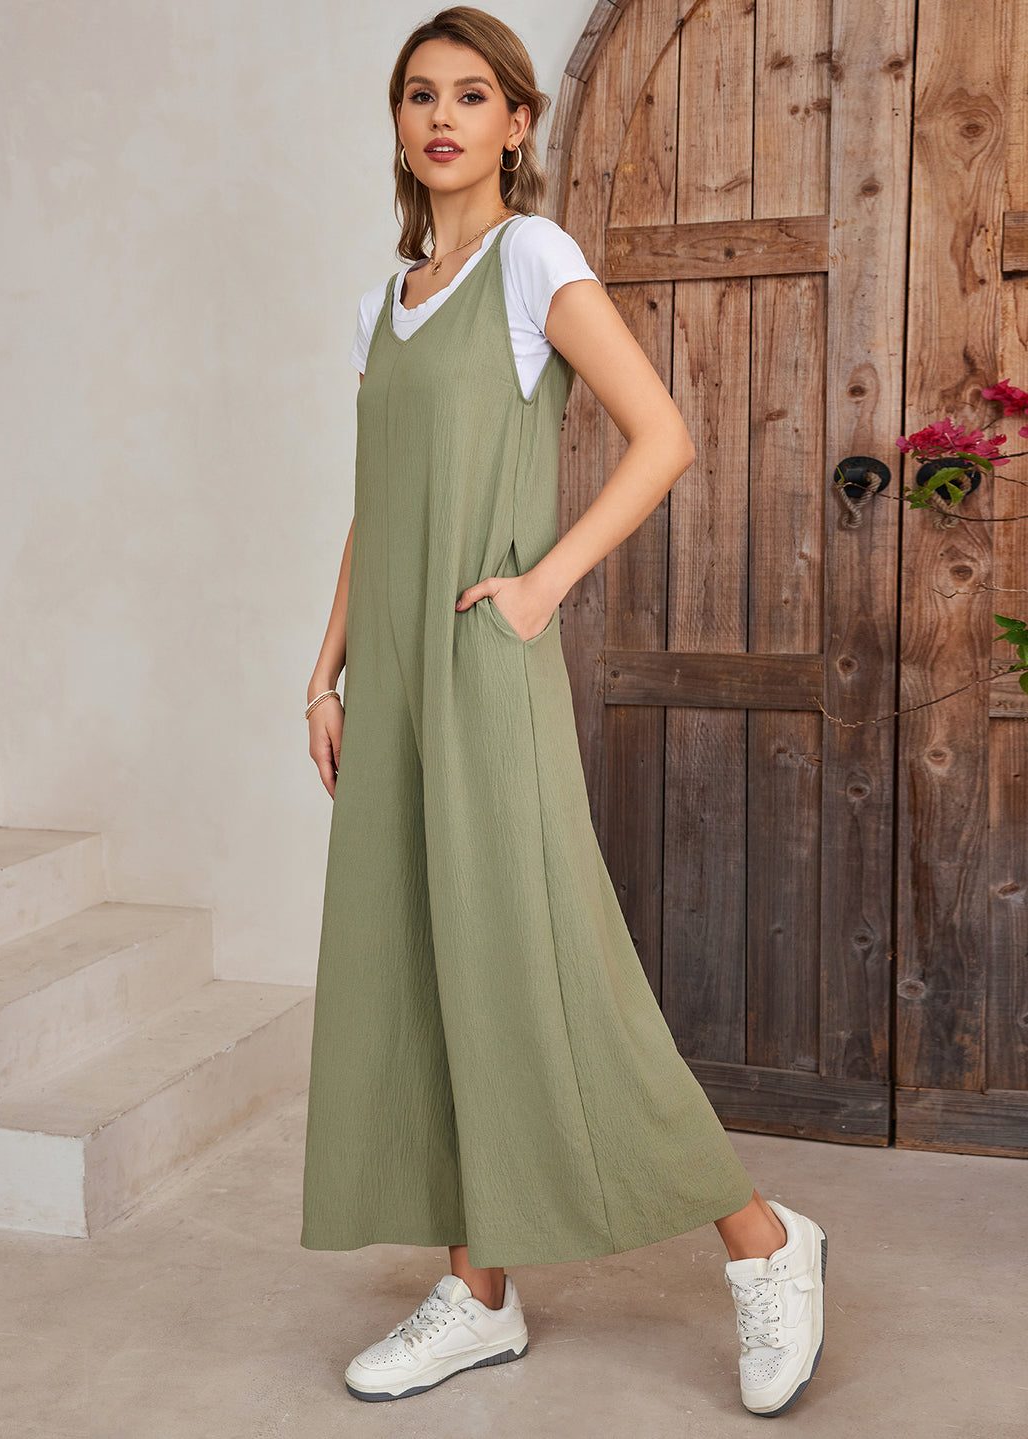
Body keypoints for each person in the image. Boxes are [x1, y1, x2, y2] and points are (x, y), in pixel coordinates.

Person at [300, 5, 827, 1420]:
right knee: (426, 964)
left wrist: (540, 590)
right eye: (421, 94)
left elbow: (665, 436)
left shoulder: (533, 258)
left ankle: (764, 1241)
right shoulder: (387, 301)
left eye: (473, 95)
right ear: (398, 122)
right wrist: (325, 670)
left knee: (549, 967)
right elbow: (376, 503)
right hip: (393, 681)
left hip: (482, 665)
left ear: (518, 124)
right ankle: (478, 1294)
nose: (443, 117)